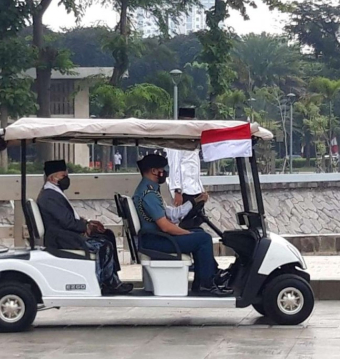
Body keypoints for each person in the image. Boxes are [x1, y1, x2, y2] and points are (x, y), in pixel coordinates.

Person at [133, 154, 231, 297]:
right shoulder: (149, 194)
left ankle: (209, 276)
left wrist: (194, 202)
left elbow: (171, 214)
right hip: (155, 241)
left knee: (198, 231)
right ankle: (206, 284)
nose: (165, 172)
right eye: (163, 169)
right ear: (154, 171)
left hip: (155, 238)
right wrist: (187, 234)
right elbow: (166, 226)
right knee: (203, 239)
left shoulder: (150, 190)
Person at [37, 160, 133, 295]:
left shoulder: (53, 192)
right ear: (52, 178)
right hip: (62, 238)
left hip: (66, 234)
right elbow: (67, 222)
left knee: (108, 235)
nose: (66, 179)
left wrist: (89, 223)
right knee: (103, 245)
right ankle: (103, 282)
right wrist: (86, 227)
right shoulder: (49, 196)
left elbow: (68, 218)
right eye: (63, 176)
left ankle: (112, 279)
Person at [165, 107, 205, 229]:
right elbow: (174, 166)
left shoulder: (192, 141)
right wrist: (177, 191)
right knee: (185, 223)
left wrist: (201, 189)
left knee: (198, 220)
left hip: (194, 188)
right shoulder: (176, 140)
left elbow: (195, 167)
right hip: (184, 189)